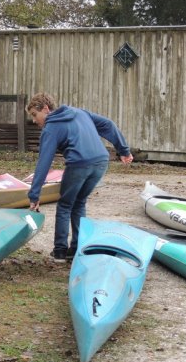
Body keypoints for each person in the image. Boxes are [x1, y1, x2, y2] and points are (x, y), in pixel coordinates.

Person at [27, 93, 133, 262]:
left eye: (34, 114)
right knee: (79, 202)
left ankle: (60, 251)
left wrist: (34, 194)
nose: (34, 120)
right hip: (101, 162)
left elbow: (43, 163)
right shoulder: (79, 112)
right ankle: (76, 248)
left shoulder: (51, 128)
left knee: (65, 205)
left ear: (46, 109)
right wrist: (124, 150)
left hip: (79, 164)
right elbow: (108, 125)